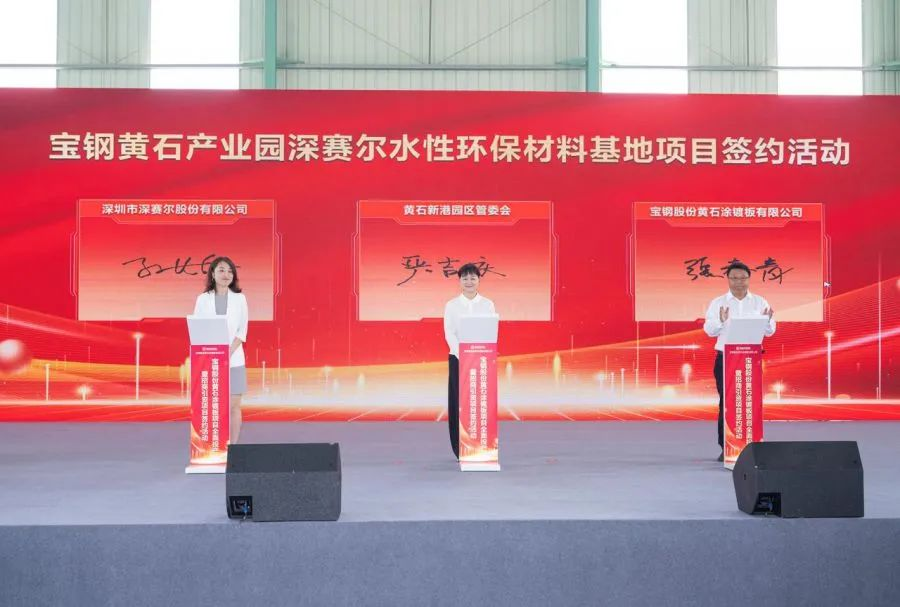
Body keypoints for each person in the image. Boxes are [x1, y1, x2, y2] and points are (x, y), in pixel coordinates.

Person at [703, 261, 775, 461]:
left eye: (743, 278)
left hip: (751, 359)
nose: (739, 282)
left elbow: (770, 331)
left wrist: (767, 321)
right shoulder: (718, 303)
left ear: (749, 279)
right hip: (725, 358)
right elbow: (709, 331)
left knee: (750, 401)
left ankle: (751, 444)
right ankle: (726, 446)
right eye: (734, 278)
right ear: (728, 279)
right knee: (727, 403)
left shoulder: (760, 302)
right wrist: (721, 320)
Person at [193, 256, 249, 443]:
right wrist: (213, 352)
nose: (226, 274)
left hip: (235, 360)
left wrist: (228, 352)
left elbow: (242, 331)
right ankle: (214, 447)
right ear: (213, 274)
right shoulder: (203, 299)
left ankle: (233, 448)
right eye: (222, 270)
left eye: (230, 271)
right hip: (210, 360)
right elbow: (198, 329)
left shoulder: (240, 299)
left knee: (234, 406)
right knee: (213, 407)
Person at [443, 263, 496, 459]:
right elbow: (449, 333)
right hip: (458, 359)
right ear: (459, 281)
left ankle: (482, 446)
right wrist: (463, 353)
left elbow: (491, 330)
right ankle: (460, 449)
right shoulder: (451, 305)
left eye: (473, 278)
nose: (469, 282)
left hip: (482, 360)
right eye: (465, 278)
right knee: (459, 402)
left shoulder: (488, 304)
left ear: (479, 280)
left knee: (481, 403)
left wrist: (480, 354)